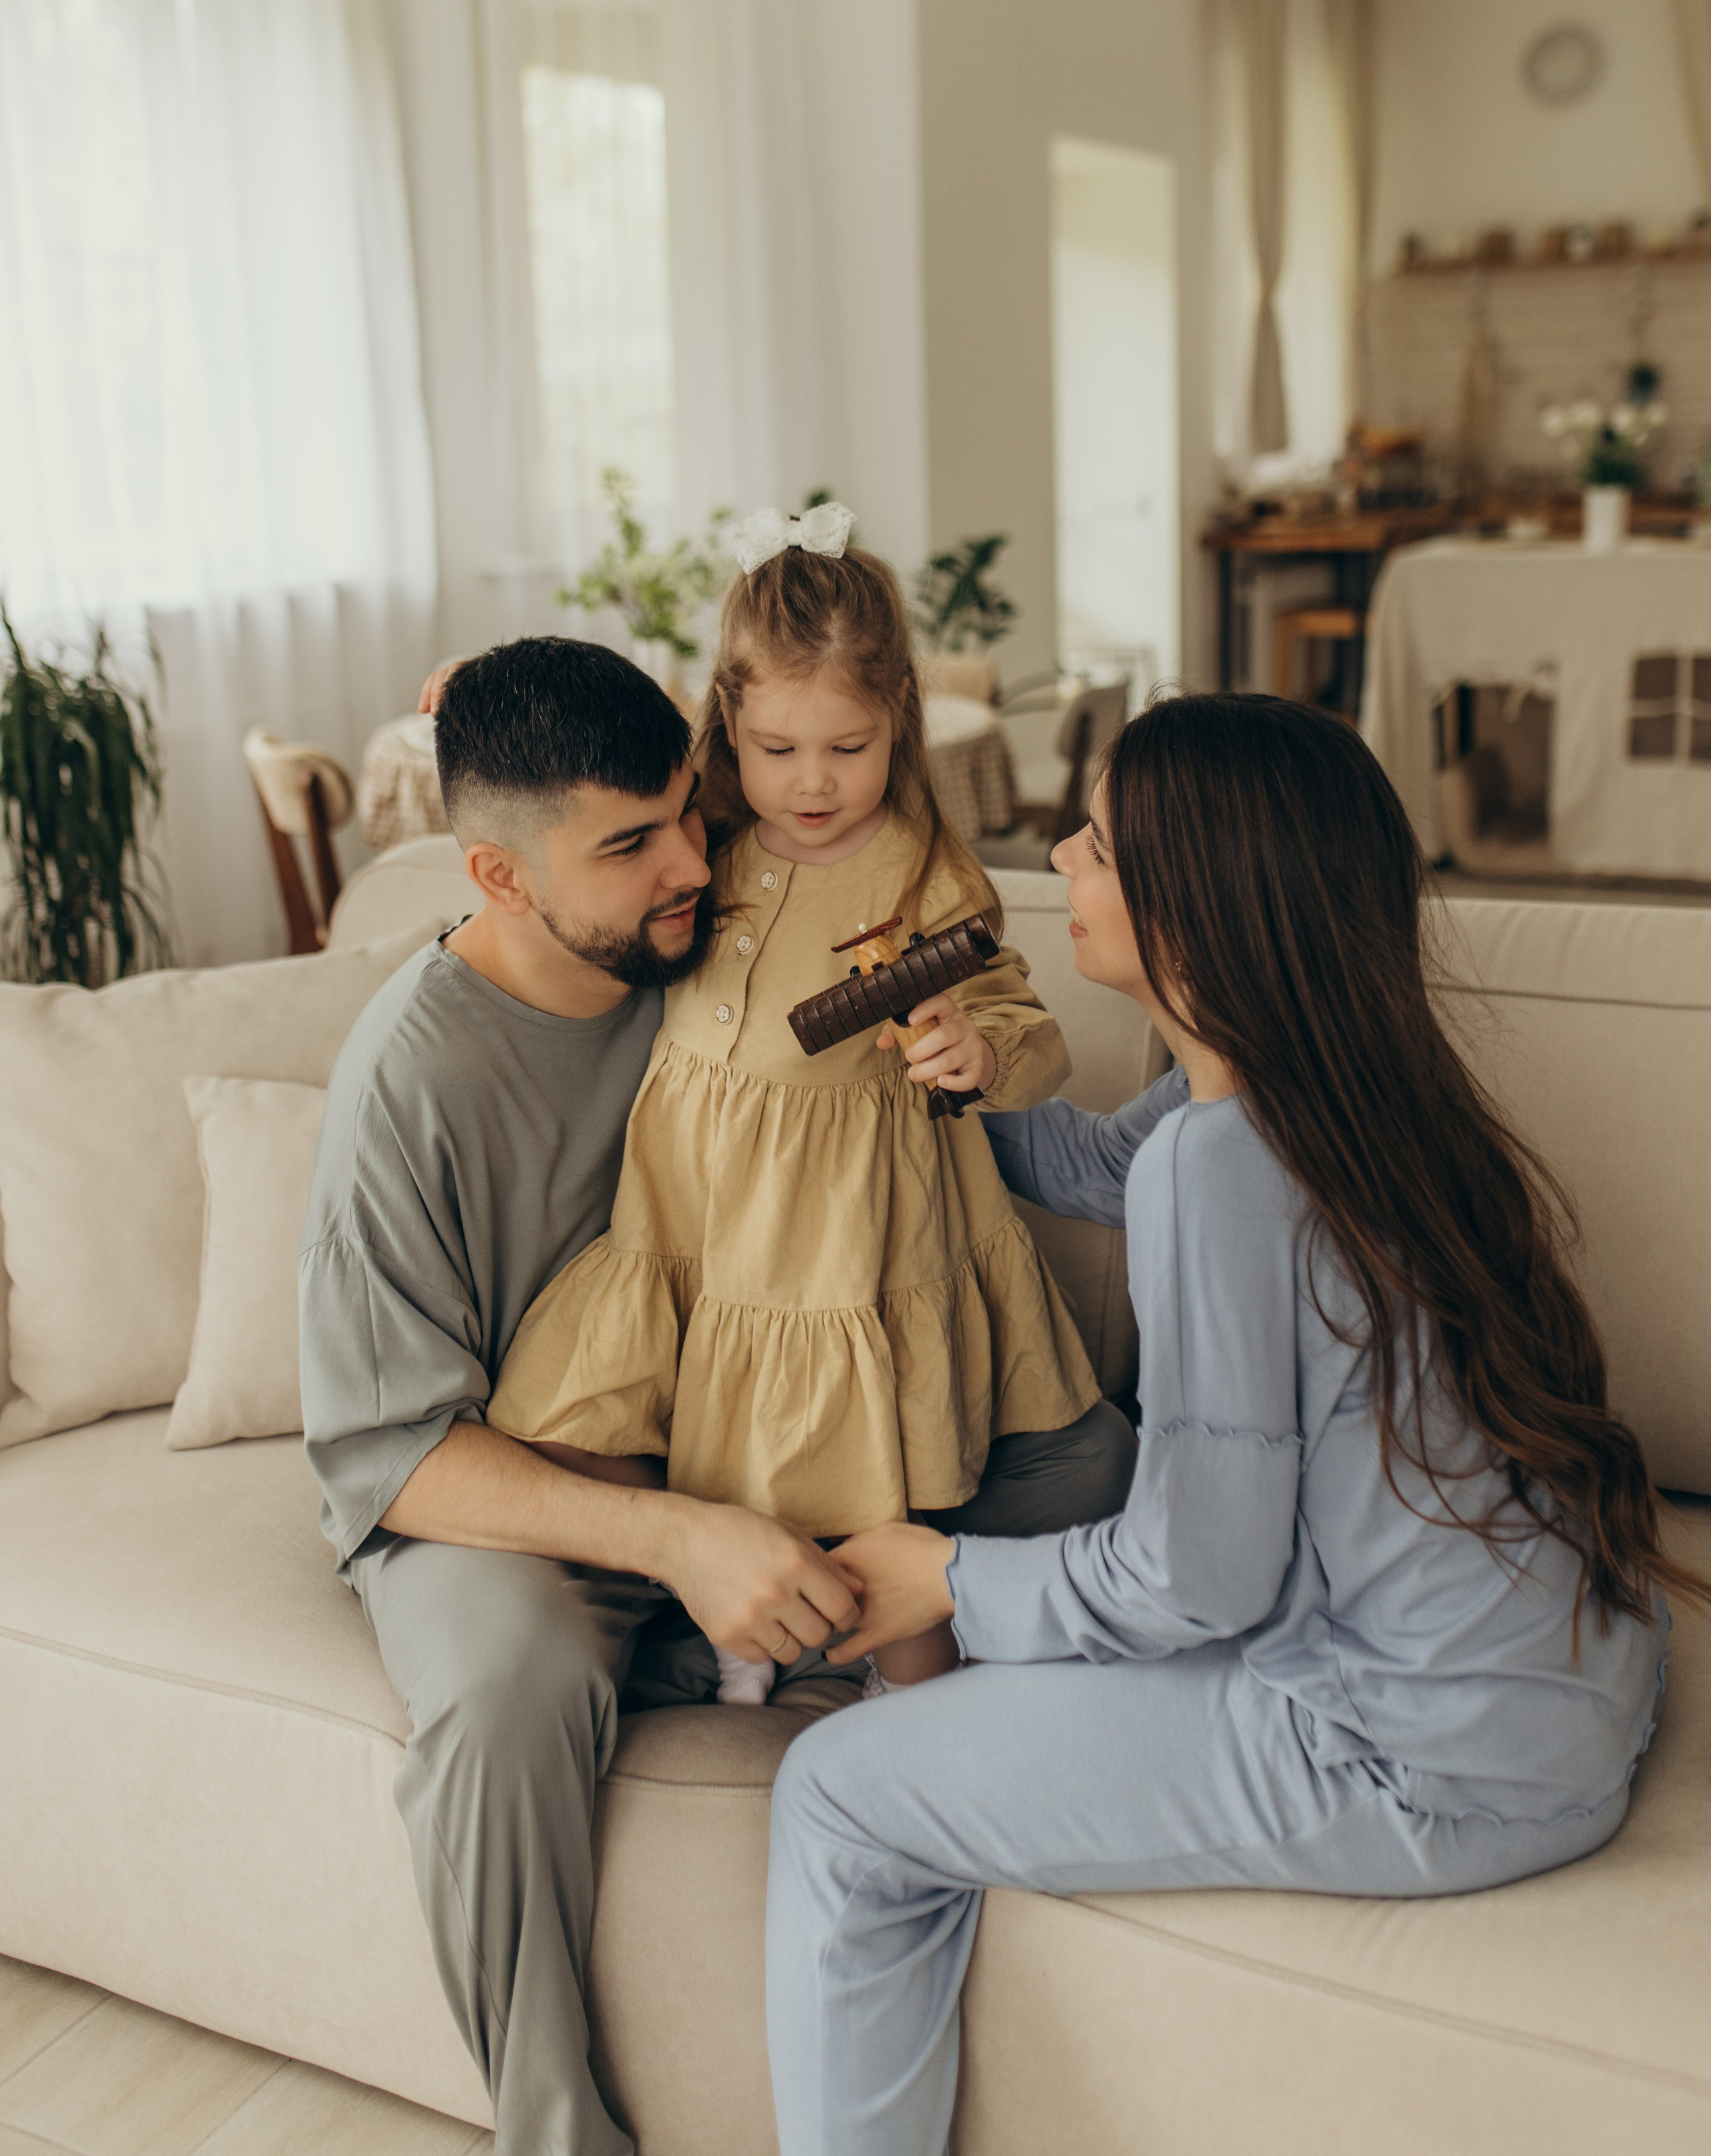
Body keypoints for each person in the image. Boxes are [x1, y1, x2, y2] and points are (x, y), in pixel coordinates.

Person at [765, 691, 1701, 2156]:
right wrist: (961, 1080)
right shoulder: (1328, 1085)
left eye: (1096, 842)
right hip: (1571, 1683)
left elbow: (1194, 1579)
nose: (1061, 857)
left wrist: (941, 1577)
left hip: (1422, 1755)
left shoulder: (1220, 1165)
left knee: (835, 1790)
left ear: (1193, 910)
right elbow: (1092, 1170)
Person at [298, 632, 1134, 2156]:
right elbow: (389, 1452)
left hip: (775, 1425)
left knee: (1095, 1483)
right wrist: (684, 1541)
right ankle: (556, 2132)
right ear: (493, 875)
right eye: (633, 844)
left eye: (691, 808)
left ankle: (753, 1644)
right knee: (510, 1690)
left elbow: (799, 710)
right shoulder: (409, 1081)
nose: (695, 859)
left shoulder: (696, 940)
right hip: (518, 1494)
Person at [485, 507, 1114, 1704]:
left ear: (901, 725)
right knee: (658, 1435)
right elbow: (568, 793)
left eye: (848, 747)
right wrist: (477, 689)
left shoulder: (926, 870)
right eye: (776, 749)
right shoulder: (699, 839)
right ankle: (735, 1633)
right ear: (727, 722)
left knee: (870, 1475)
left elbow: (1026, 1025)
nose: (812, 782)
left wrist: (978, 1053)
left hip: (846, 1233)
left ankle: (907, 1695)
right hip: (696, 1209)